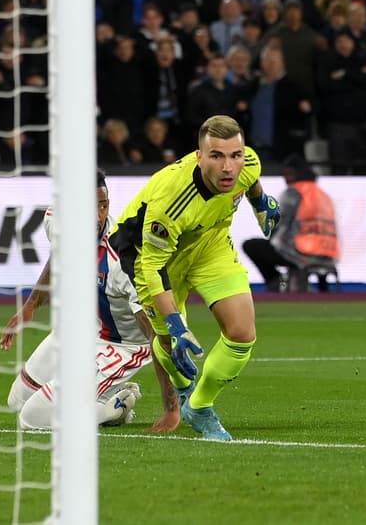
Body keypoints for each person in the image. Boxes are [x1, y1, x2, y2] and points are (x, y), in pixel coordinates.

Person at [109, 114, 280, 441]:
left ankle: (200, 407)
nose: (228, 167)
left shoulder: (249, 163)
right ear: (199, 157)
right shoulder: (171, 202)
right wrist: (175, 323)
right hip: (150, 256)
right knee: (169, 341)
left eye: (235, 155)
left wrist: (261, 203)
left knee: (242, 333)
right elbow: (154, 267)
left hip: (210, 243)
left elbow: (251, 178)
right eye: (216, 156)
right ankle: (182, 383)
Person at [0, 170, 180, 432]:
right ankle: (105, 396)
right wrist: (30, 306)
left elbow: (155, 332)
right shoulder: (55, 219)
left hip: (123, 344)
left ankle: (116, 404)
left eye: (103, 206)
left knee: (32, 418)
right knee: (17, 400)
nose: (97, 217)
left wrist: (171, 408)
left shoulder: (122, 260)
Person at [242, 154, 340, 292]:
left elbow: (280, 223)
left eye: (290, 174)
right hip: (330, 253)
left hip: (300, 253)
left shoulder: (293, 192)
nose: (287, 178)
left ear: (298, 173)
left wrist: (272, 240)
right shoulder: (324, 195)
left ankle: (277, 282)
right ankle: (321, 289)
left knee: (251, 246)